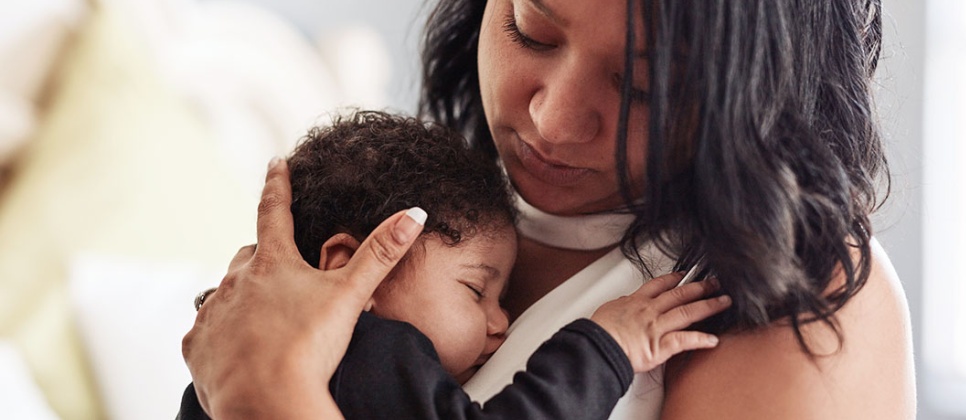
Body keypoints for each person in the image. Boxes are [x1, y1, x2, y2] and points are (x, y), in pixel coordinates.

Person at [182, 0, 917, 419]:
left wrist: (266, 393)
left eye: (642, 86)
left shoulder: (794, 286)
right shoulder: (433, 212)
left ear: (757, 84)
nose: (554, 122)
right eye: (531, 30)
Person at [179, 110, 729, 419]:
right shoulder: (367, 352)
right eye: (475, 290)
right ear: (355, 272)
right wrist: (606, 346)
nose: (502, 322)